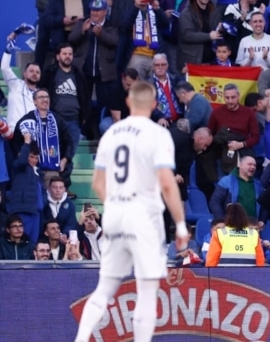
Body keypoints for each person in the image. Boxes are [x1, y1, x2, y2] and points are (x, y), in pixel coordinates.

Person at [72, 80, 187, 342]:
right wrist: (180, 225)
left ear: (127, 102)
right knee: (147, 290)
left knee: (104, 289)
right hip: (144, 213)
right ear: (155, 105)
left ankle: (80, 339)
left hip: (115, 212)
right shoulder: (158, 134)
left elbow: (98, 184)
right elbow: (168, 184)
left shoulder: (111, 133)